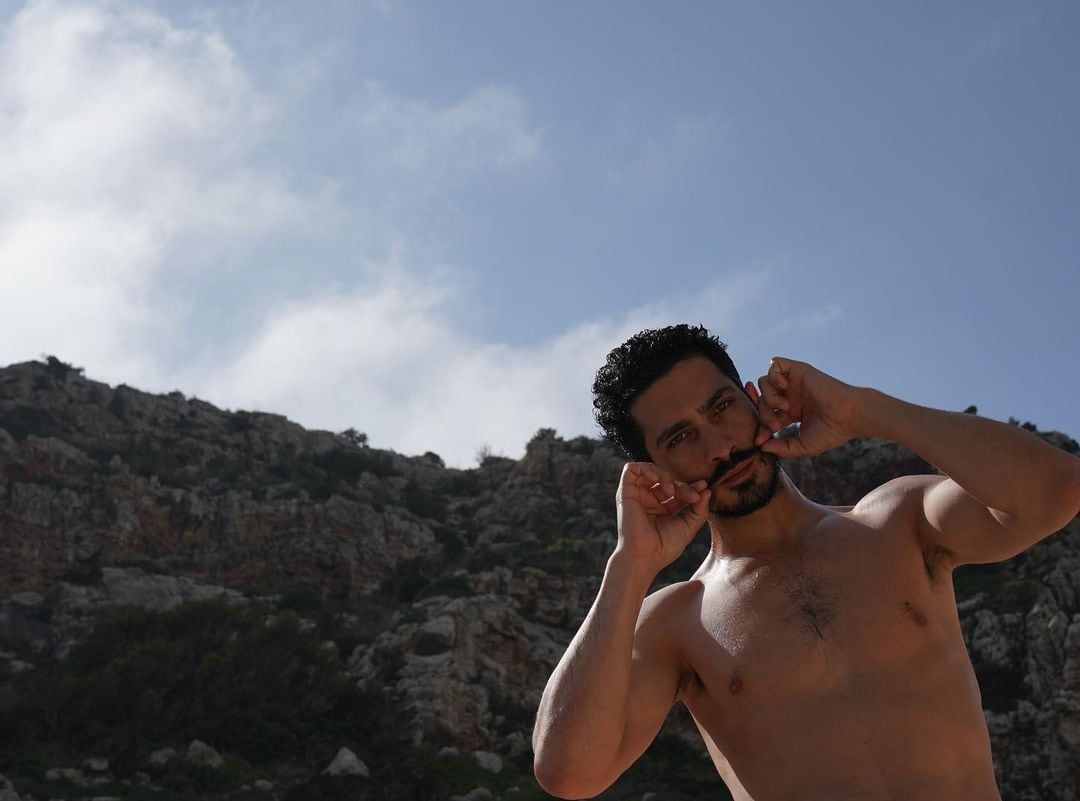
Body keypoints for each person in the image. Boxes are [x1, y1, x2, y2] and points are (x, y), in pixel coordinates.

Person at [532, 324, 1080, 801]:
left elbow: (1055, 491)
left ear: (753, 400)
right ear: (656, 469)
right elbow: (570, 772)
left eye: (721, 407)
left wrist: (865, 411)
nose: (719, 446)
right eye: (681, 437)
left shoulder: (897, 522)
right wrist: (631, 564)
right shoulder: (675, 622)